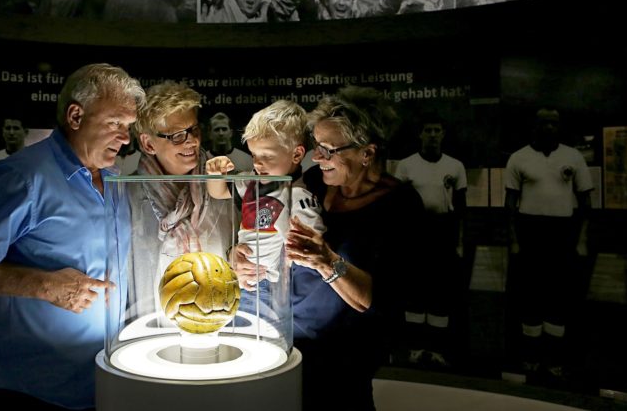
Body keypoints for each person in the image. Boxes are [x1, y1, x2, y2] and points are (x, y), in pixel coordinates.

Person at [0, 63, 144, 410]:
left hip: (94, 380)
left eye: (128, 127)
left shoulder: (113, 178)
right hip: (28, 387)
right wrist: (46, 286)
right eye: (115, 124)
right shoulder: (22, 176)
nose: (125, 138)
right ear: (76, 116)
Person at [277, 87, 423, 410]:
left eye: (328, 150)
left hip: (348, 357)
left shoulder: (401, 205)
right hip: (296, 342)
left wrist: (327, 261)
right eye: (316, 146)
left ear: (367, 154)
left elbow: (379, 298)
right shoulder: (314, 182)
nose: (317, 158)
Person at [126, 80, 233, 323]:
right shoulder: (127, 193)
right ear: (148, 143)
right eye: (177, 136)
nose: (192, 142)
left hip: (219, 318)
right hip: (151, 324)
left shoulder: (223, 183)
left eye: (194, 130)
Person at [205, 100, 324, 315]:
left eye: (267, 156)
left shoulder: (298, 196)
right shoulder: (249, 182)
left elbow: (312, 247)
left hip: (272, 284)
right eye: (254, 155)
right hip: (240, 279)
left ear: (297, 154)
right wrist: (215, 174)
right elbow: (217, 192)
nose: (258, 164)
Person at [504, 107, 593, 379]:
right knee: (530, 297)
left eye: (554, 123)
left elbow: (586, 204)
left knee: (558, 298)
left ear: (560, 126)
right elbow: (510, 206)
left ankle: (554, 359)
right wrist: (515, 241)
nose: (550, 128)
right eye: (545, 123)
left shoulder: (573, 156)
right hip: (530, 233)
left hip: (562, 233)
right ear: (535, 125)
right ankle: (530, 357)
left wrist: (581, 239)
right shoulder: (519, 158)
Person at [395, 113, 467, 368]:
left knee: (440, 291)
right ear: (420, 134)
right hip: (416, 234)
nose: (433, 134)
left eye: (437, 130)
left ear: (443, 134)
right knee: (416, 290)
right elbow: (399, 207)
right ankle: (415, 348)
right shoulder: (406, 165)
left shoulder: (455, 166)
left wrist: (458, 242)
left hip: (443, 233)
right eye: (428, 130)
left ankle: (437, 349)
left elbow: (460, 208)